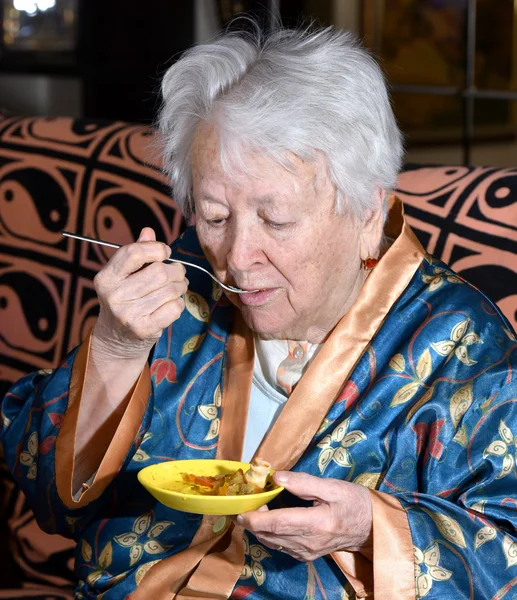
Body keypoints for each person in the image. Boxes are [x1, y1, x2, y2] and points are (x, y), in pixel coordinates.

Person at [2, 24, 517, 600]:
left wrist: (374, 528)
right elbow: (48, 495)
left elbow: (508, 549)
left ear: (369, 213)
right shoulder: (176, 284)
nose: (237, 260)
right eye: (216, 216)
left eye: (276, 220)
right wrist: (117, 349)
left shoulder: (465, 347)